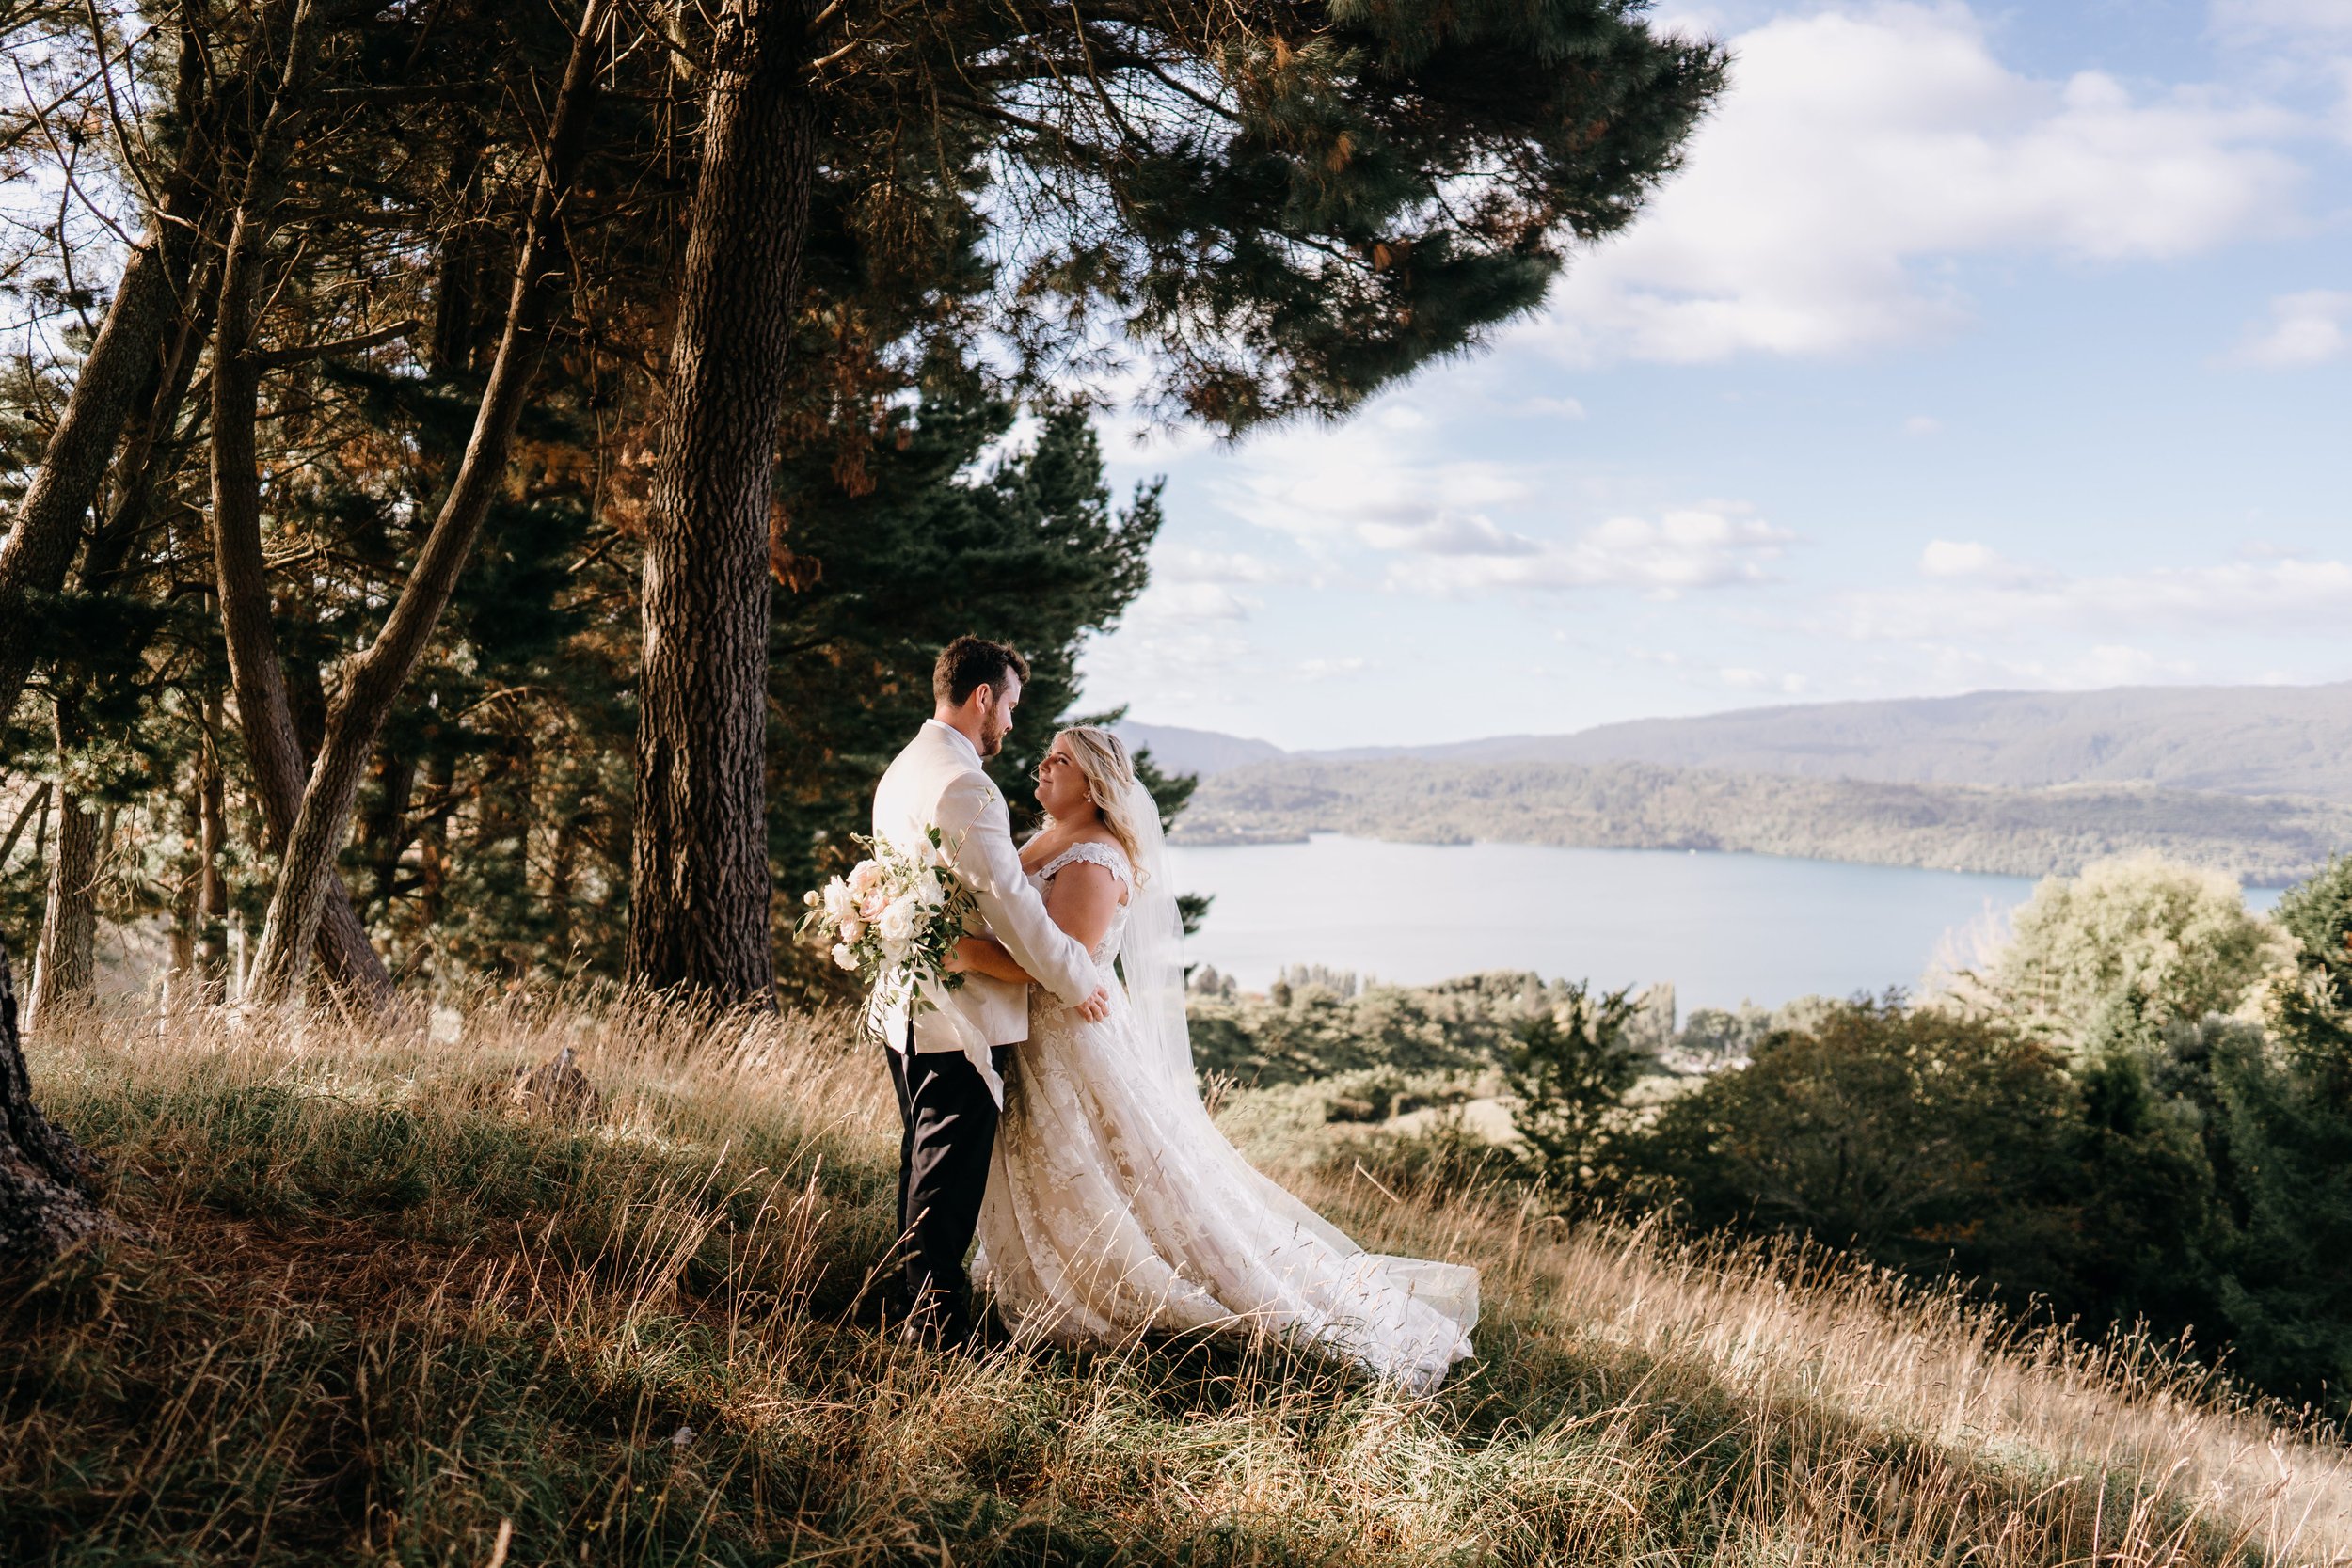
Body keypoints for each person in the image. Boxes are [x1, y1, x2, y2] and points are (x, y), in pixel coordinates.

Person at [949, 724, 1480, 1393]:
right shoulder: (1050, 835)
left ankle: (1128, 1287)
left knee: (1109, 1169)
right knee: (1069, 1166)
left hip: (1070, 1039)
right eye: (1047, 753)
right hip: (1037, 1036)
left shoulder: (1093, 855)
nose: (1043, 764)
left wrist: (961, 952)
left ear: (1094, 784)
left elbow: (1064, 968)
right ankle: (1050, 1268)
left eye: (1061, 760)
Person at [868, 637, 1110, 1347]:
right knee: (946, 1179)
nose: (1010, 722)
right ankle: (933, 1330)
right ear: (982, 697)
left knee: (923, 1159)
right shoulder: (966, 782)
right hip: (958, 1013)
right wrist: (1077, 977)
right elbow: (1012, 907)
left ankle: (912, 1306)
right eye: (1009, 704)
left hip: (908, 1005)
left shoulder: (904, 768)